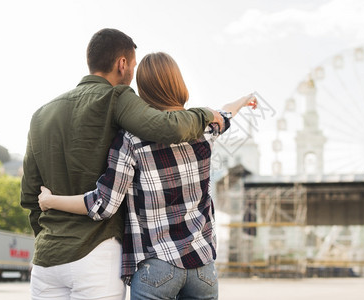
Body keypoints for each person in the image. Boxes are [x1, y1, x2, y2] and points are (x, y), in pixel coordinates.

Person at [20, 29, 225, 300]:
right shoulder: (117, 97)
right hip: (97, 253)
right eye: (133, 65)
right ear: (122, 64)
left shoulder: (40, 115)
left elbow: (30, 195)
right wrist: (208, 114)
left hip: (47, 258)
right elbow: (166, 127)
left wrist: (48, 233)